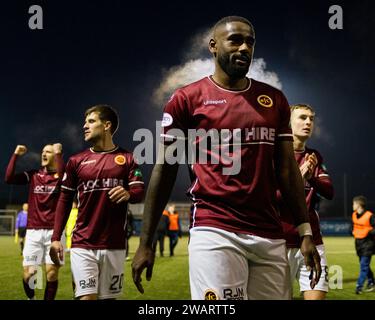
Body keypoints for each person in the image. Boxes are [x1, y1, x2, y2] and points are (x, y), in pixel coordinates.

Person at [132, 16, 321, 300]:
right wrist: (145, 242)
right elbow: (166, 168)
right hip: (214, 228)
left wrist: (304, 230)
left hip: (269, 232)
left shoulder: (274, 100)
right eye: (235, 40)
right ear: (212, 45)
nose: (244, 48)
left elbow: (287, 170)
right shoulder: (187, 99)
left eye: (250, 42)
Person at [49, 104, 144, 300]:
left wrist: (129, 193)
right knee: (87, 298)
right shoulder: (76, 161)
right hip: (83, 244)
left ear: (107, 125)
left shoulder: (127, 158)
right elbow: (65, 199)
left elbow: (139, 191)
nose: (85, 126)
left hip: (115, 245)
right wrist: (56, 237)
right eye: (85, 122)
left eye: (91, 121)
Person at [278, 104, 334, 300]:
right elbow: (270, 198)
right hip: (279, 242)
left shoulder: (314, 156)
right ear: (288, 123)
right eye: (302, 118)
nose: (308, 122)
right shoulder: (274, 156)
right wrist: (296, 179)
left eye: (311, 118)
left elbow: (329, 191)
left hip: (312, 241)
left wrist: (311, 178)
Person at [5, 143, 64, 300]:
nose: (44, 154)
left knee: (51, 273)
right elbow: (9, 178)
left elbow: (67, 177)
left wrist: (59, 155)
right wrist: (16, 154)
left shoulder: (61, 177)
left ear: (55, 155)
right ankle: (32, 298)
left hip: (54, 232)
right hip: (33, 232)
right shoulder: (34, 175)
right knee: (30, 274)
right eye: (43, 151)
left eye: (49, 152)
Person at [351, 195, 375, 294]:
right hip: (359, 244)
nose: (352, 205)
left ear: (359, 205)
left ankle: (359, 286)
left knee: (363, 266)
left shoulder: (370, 216)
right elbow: (353, 227)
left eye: (354, 204)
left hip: (368, 244)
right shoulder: (354, 214)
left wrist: (370, 232)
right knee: (365, 265)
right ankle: (371, 282)